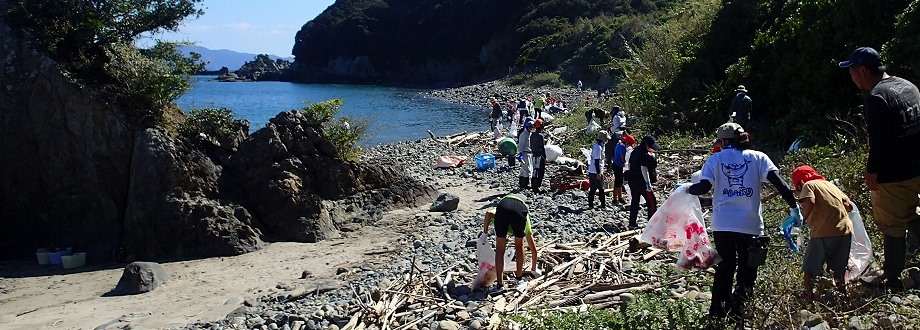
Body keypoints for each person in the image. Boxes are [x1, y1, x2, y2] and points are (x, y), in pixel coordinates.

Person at [686, 123, 800, 327]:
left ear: (722, 141)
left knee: (725, 268)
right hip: (751, 225)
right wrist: (794, 208)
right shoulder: (758, 157)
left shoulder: (715, 160)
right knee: (748, 270)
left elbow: (704, 187)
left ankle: (718, 312)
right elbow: (779, 183)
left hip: (723, 225)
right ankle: (740, 312)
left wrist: (685, 189)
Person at [839, 46, 920, 291]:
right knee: (910, 211)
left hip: (895, 173)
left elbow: (879, 140)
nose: (851, 77)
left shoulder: (876, 97)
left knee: (891, 222)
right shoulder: (907, 86)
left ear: (862, 70)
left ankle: (892, 277)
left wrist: (872, 172)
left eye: (852, 71)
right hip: (917, 165)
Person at [791, 165, 854, 302]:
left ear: (800, 182)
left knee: (810, 266)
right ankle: (842, 297)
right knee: (838, 268)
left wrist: (802, 219)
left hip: (823, 231)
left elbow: (810, 200)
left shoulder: (808, 185)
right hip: (845, 230)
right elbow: (849, 206)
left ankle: (808, 296)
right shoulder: (830, 185)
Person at [481, 194, 539, 290]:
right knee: (519, 246)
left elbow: (488, 213)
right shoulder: (526, 219)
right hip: (518, 210)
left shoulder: (498, 212)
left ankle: (499, 285)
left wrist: (485, 233)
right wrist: (534, 270)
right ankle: (519, 279)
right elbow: (533, 249)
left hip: (502, 206)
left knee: (500, 249)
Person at [627, 135, 660, 228]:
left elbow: (629, 164)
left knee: (635, 201)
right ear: (646, 144)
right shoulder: (644, 153)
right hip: (641, 181)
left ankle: (632, 223)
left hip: (632, 179)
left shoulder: (635, 151)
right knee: (652, 201)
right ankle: (652, 223)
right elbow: (644, 169)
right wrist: (648, 184)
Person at [611, 134, 635, 205]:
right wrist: (628, 163)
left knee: (620, 182)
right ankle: (615, 199)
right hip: (618, 166)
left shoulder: (619, 144)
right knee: (618, 183)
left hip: (616, 165)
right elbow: (622, 159)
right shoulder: (622, 148)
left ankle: (619, 198)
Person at [587, 131, 609, 209]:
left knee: (593, 188)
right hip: (595, 171)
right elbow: (597, 161)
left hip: (593, 170)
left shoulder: (599, 146)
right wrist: (599, 173)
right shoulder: (598, 147)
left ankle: (590, 204)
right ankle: (603, 205)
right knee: (601, 188)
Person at [530, 119, 547, 193]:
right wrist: (545, 157)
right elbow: (542, 148)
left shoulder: (532, 135)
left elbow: (531, 146)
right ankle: (537, 187)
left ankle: (533, 186)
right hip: (540, 155)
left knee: (534, 170)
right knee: (540, 171)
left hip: (533, 155)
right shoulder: (540, 136)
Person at [517, 118, 534, 190]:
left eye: (532, 127)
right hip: (524, 153)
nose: (531, 128)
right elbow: (520, 145)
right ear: (526, 127)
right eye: (530, 127)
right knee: (526, 169)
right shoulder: (523, 135)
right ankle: (525, 184)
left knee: (524, 169)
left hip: (529, 153)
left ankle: (522, 184)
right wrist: (520, 155)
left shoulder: (529, 134)